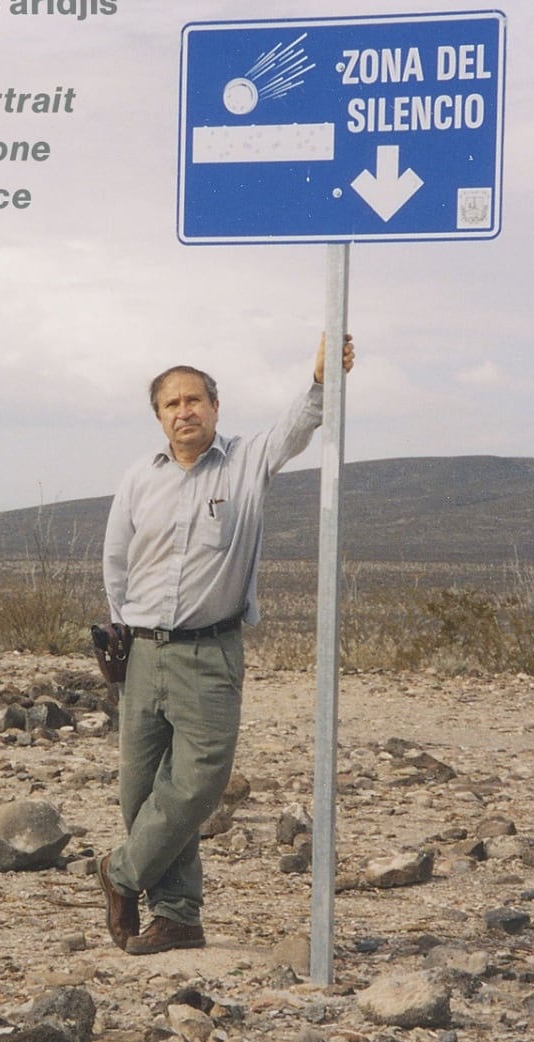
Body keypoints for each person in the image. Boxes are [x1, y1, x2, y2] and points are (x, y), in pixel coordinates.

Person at [98, 333, 354, 955]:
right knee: (142, 788)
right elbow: (116, 562)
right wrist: (121, 631)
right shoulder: (139, 478)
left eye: (194, 400)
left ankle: (121, 872)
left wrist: (319, 381)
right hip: (143, 651)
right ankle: (178, 917)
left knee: (199, 782)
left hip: (210, 652)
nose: (184, 412)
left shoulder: (246, 462)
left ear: (215, 407)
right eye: (171, 404)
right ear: (158, 417)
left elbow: (298, 428)